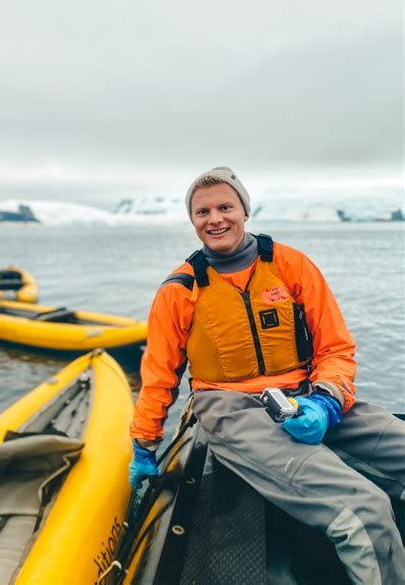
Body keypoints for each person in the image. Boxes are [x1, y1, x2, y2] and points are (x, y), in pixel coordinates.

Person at [129, 166, 404, 584]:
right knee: (364, 509)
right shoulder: (179, 290)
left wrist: (327, 399)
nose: (215, 219)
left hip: (305, 394)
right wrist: (145, 444)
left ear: (244, 210)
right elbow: (159, 375)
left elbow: (336, 348)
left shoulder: (290, 265)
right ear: (192, 221)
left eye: (225, 206)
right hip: (228, 406)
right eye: (203, 212)